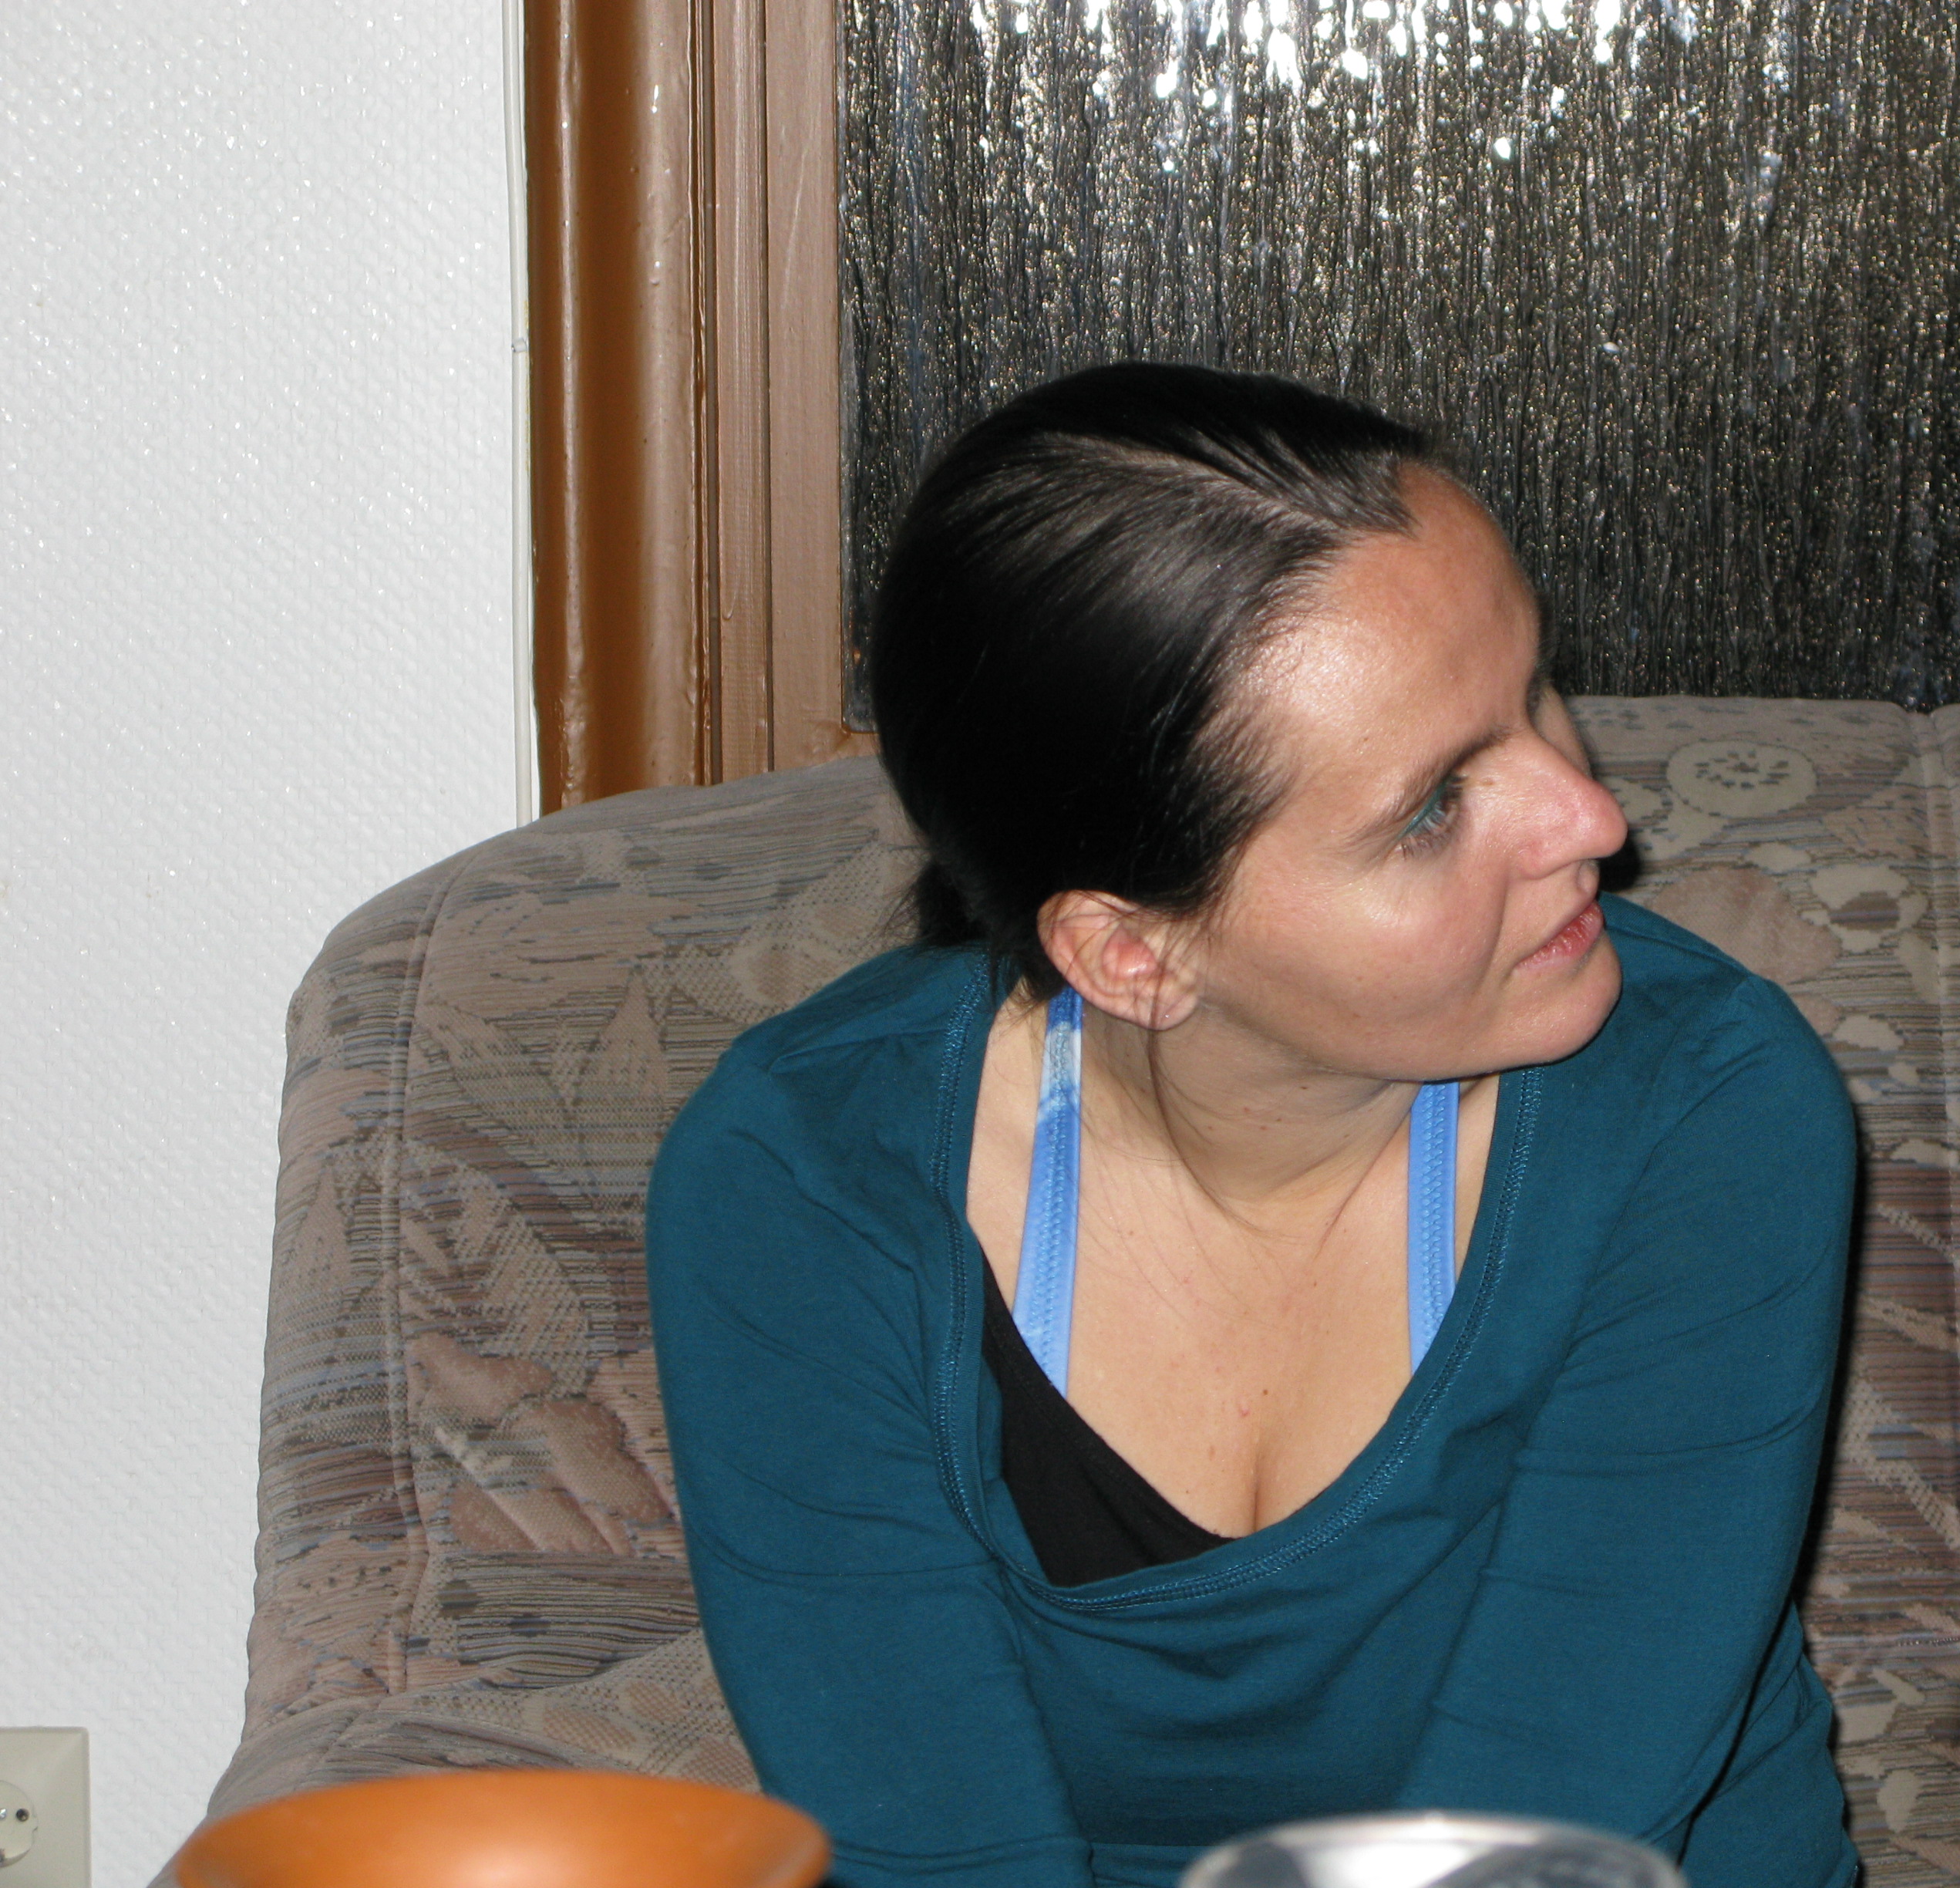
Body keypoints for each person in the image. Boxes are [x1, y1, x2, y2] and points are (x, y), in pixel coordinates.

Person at [645, 362, 1859, 1888]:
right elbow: (933, 1842)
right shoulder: (803, 1184)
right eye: (1433, 809)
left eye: (1536, 691)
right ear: (1133, 955)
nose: (1590, 817)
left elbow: (1543, 1826)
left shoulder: (1706, 1114)